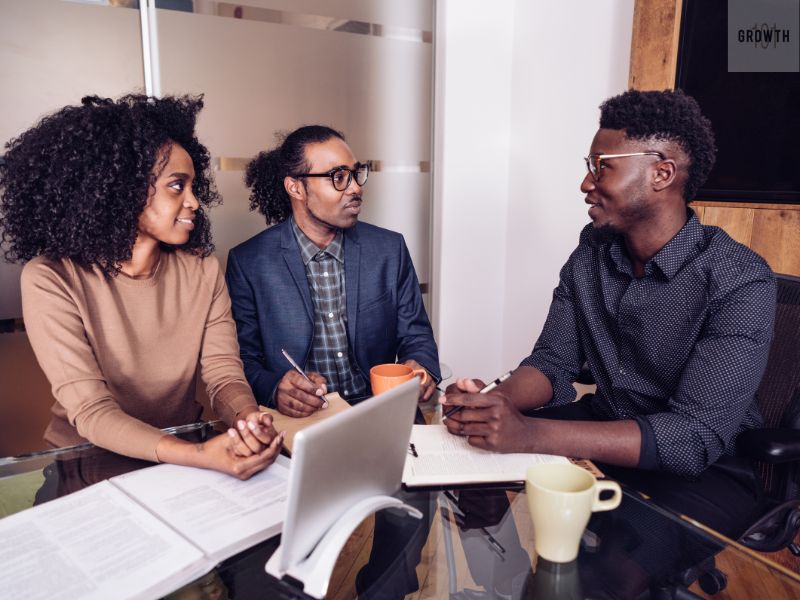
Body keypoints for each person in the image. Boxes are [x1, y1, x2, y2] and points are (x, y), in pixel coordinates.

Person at [442, 89, 775, 539]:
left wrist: (529, 434)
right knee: (471, 478)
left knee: (612, 574)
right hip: (602, 432)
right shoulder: (592, 251)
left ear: (662, 173)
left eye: (602, 166)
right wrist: (495, 405)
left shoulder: (740, 278)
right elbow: (552, 364)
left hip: (704, 475)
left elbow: (692, 438)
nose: (585, 183)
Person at [0, 94, 282, 479]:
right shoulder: (51, 278)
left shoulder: (202, 269)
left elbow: (224, 374)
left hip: (184, 455)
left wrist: (249, 421)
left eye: (194, 186)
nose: (195, 202)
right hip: (88, 465)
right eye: (176, 186)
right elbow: (92, 411)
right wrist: (199, 454)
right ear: (122, 189)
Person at [226, 125, 440, 416]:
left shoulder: (389, 249)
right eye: (338, 177)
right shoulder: (249, 262)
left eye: (356, 174)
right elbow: (243, 360)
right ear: (296, 188)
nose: (355, 188)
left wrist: (421, 366)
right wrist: (276, 387)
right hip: (304, 422)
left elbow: (416, 337)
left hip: (381, 411)